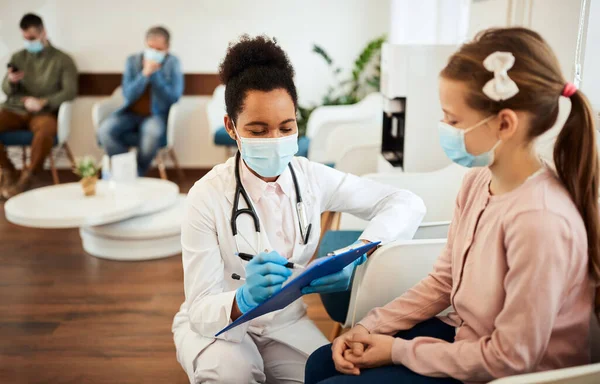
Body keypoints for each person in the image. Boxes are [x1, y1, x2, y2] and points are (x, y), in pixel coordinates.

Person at [305, 27, 599, 384]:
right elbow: (444, 280)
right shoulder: (478, 181)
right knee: (320, 364)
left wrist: (396, 350)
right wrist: (369, 327)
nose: (444, 127)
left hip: (509, 373)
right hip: (466, 339)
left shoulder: (540, 219)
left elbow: (510, 359)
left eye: (453, 119)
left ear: (504, 124)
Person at [171, 35, 426, 384]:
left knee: (329, 377)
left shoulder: (310, 178)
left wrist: (354, 257)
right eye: (258, 131)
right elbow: (200, 309)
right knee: (234, 374)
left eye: (286, 127)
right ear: (232, 127)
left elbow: (406, 203)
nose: (275, 140)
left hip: (284, 323)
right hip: (219, 328)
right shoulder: (206, 196)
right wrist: (242, 299)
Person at [0, 13, 78, 199]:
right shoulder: (18, 57)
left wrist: (43, 102)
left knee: (45, 133)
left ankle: (29, 176)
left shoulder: (62, 60)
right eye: (25, 38)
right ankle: (9, 171)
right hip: (16, 109)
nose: (29, 42)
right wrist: (11, 81)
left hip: (45, 113)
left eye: (32, 38)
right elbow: (6, 90)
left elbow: (69, 92)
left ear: (43, 33)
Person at [97, 26, 183, 177]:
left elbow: (174, 97)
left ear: (167, 48)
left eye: (158, 49)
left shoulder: (173, 63)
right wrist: (144, 75)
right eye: (150, 47)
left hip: (156, 116)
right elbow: (128, 95)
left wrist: (155, 76)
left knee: (151, 133)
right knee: (105, 131)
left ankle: (135, 173)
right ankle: (127, 169)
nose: (154, 52)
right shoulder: (132, 61)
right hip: (129, 114)